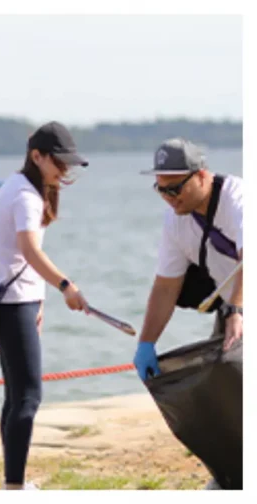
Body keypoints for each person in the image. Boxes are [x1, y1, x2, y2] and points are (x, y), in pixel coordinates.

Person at [0, 122, 91, 490]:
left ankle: (13, 483)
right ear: (37, 156)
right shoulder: (25, 195)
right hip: (11, 305)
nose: (65, 169)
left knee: (16, 396)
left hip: (11, 301)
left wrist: (39, 299)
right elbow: (29, 250)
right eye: (60, 162)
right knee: (28, 397)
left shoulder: (20, 186)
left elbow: (16, 256)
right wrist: (65, 286)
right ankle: (14, 487)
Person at [133, 139, 243, 487]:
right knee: (220, 394)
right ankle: (231, 476)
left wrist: (237, 310)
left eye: (176, 187)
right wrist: (146, 343)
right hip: (235, 309)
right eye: (161, 189)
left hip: (240, 306)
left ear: (202, 176)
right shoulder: (175, 221)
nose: (169, 196)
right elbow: (166, 286)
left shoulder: (239, 200)